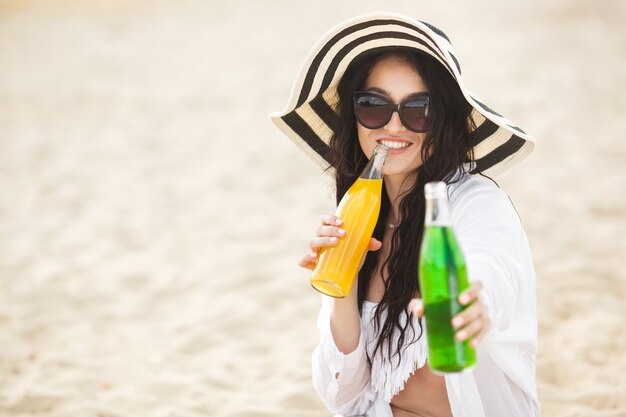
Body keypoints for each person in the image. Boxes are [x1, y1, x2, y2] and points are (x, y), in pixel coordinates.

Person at [270, 12, 539, 417]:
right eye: (374, 105)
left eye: (419, 110)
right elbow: (345, 396)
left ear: (443, 122)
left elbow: (490, 269)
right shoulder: (359, 213)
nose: (393, 125)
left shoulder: (476, 203)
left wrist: (473, 304)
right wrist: (343, 288)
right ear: (354, 115)